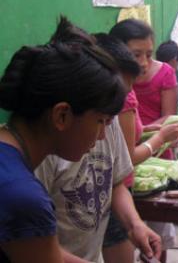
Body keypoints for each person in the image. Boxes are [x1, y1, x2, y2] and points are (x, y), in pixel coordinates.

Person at [0, 16, 128, 262]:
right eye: (100, 121)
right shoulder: (22, 197)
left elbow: (49, 255)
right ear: (61, 115)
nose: (102, 135)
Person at [94, 33, 178, 263]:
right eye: (136, 54)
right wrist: (159, 137)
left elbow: (115, 179)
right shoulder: (121, 103)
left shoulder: (116, 106)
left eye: (148, 54)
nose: (144, 63)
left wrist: (135, 223)